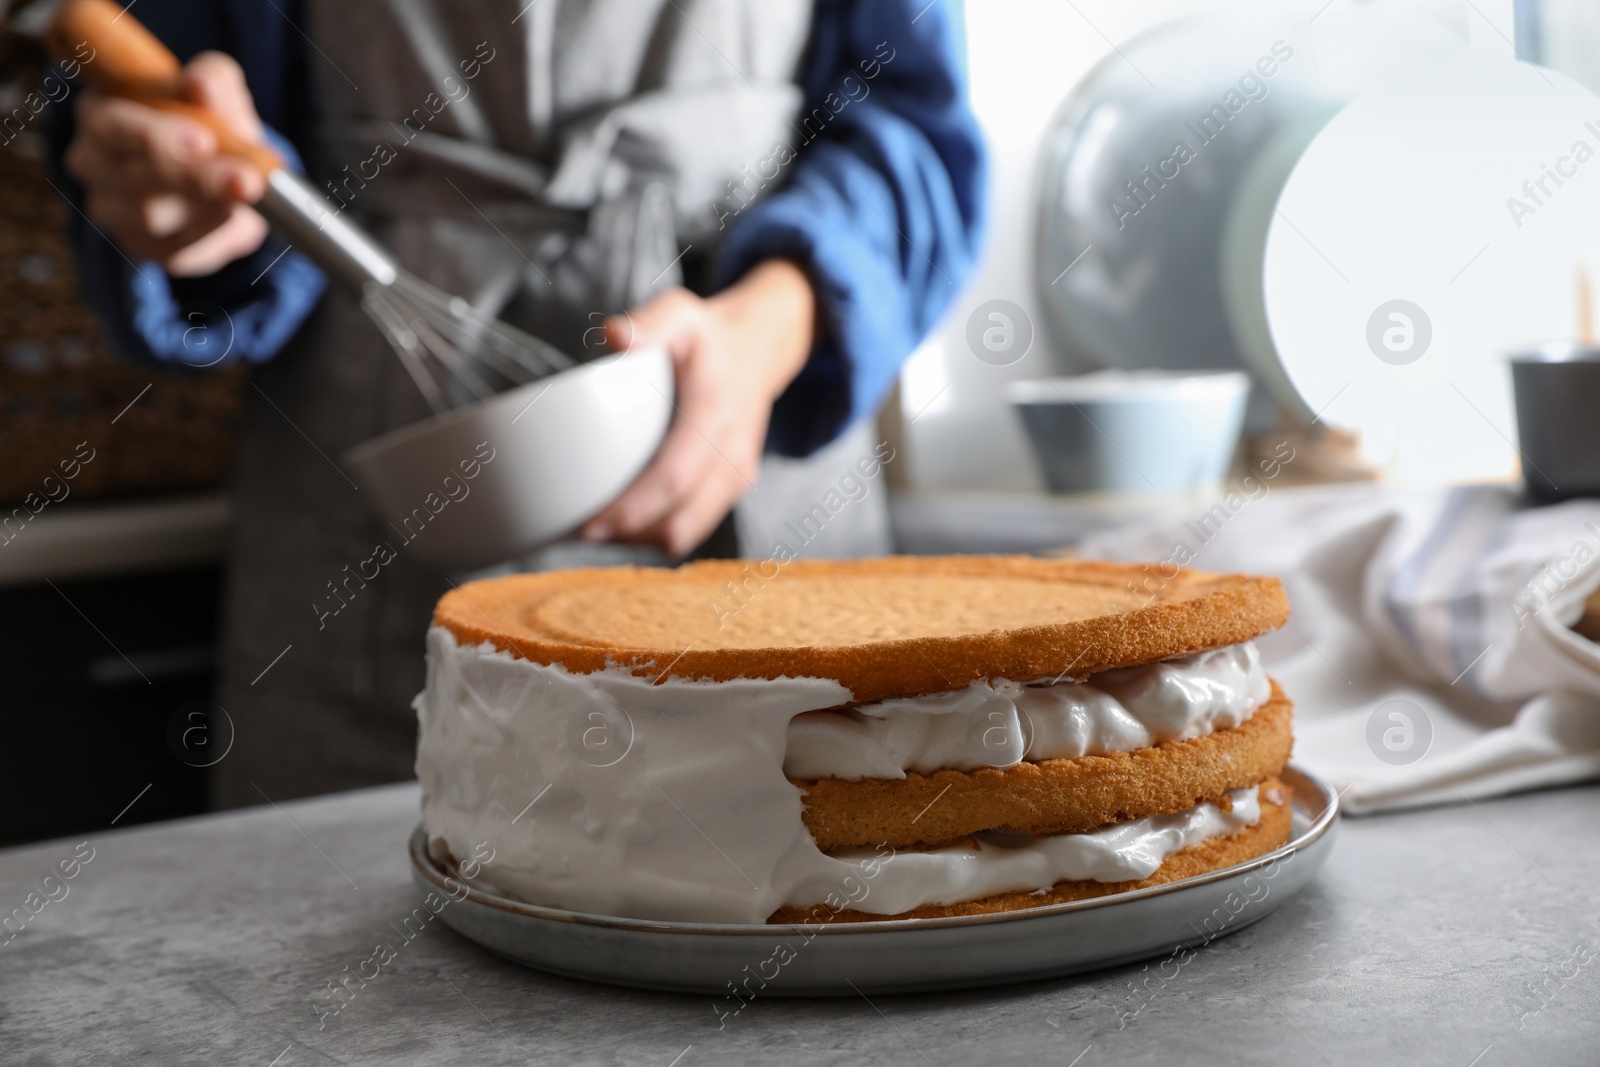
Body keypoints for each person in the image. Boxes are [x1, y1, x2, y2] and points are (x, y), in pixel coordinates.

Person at [54, 0, 985, 806]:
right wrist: (178, 193)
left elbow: (912, 123)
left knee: (795, 907)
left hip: (766, 448)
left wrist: (773, 324)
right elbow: (190, 95)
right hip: (358, 520)